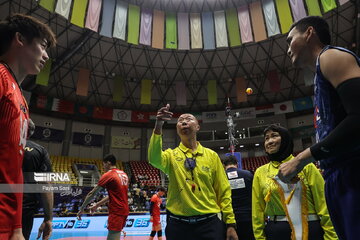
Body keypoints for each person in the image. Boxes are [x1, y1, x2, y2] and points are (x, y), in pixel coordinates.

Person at [279, 16, 360, 239]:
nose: (287, 49)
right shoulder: (319, 75)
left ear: (309, 33)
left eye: (290, 40)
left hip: (353, 171)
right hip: (337, 176)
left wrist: (301, 158)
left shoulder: (332, 56)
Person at [0, 13, 56, 240]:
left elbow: (14, 171)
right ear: (19, 39)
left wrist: (15, 228)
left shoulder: (20, 98)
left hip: (9, 222)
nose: (46, 55)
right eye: (42, 46)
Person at [148, 104, 238, 240]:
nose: (184, 121)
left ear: (197, 127)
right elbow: (153, 158)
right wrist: (158, 125)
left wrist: (230, 223)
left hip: (210, 225)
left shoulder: (212, 156)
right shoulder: (170, 156)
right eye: (180, 120)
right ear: (177, 129)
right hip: (178, 227)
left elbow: (224, 191)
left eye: (189, 119)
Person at [252, 125, 337, 239]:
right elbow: (257, 211)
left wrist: (331, 236)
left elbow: (324, 204)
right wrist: (259, 237)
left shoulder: (307, 166)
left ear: (285, 139)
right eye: (266, 138)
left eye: (274, 136)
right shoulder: (260, 172)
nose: (269, 141)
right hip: (277, 232)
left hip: (310, 230)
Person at [77, 154, 129, 240]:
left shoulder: (108, 175)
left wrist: (82, 208)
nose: (103, 167)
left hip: (116, 211)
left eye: (104, 164)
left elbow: (92, 194)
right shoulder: (123, 174)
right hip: (124, 210)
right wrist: (97, 205)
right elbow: (112, 196)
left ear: (108, 163)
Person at [22, 119, 53, 240]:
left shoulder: (5, 143)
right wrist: (48, 218)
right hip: (24, 209)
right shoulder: (39, 151)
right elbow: (45, 185)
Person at [223, 155, 255, 240]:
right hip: (248, 218)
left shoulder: (221, 177)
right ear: (237, 164)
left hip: (229, 221)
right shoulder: (248, 174)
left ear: (224, 165)